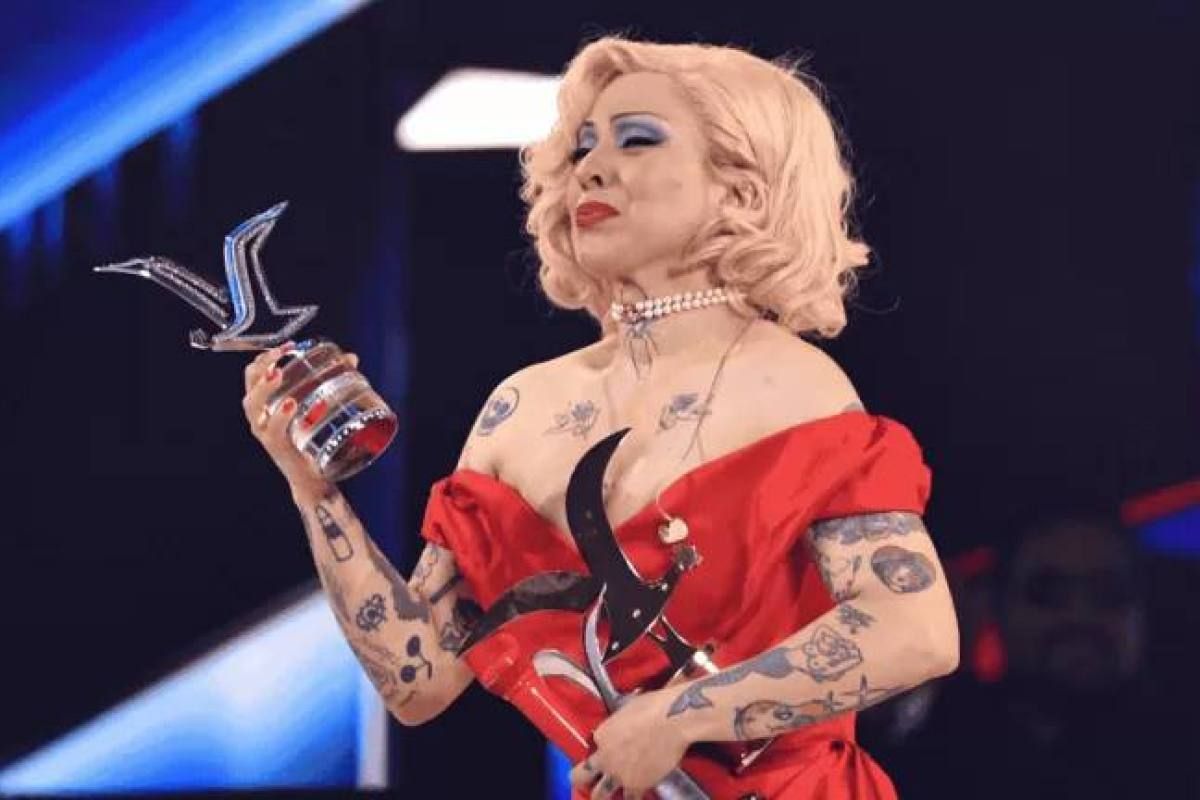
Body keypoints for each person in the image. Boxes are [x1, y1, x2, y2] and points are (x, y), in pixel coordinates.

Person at [242, 36, 959, 799]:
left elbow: (913, 628)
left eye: (637, 139)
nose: (591, 166)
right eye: (583, 144)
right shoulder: (523, 407)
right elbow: (418, 680)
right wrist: (313, 491)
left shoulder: (793, 385)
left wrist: (680, 716)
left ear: (740, 188)